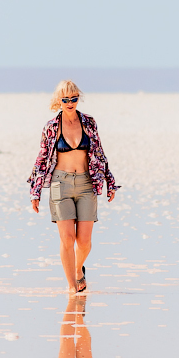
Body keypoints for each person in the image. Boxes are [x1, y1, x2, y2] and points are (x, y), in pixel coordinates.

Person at [28, 80, 119, 294]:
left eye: (74, 98)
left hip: (87, 183)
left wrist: (110, 181)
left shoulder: (89, 122)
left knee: (84, 242)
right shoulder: (51, 127)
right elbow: (41, 160)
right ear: (58, 101)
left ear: (79, 98)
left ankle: (78, 269)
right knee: (67, 238)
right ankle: (71, 286)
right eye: (65, 99)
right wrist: (35, 191)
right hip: (61, 184)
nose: (70, 103)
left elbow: (99, 153)